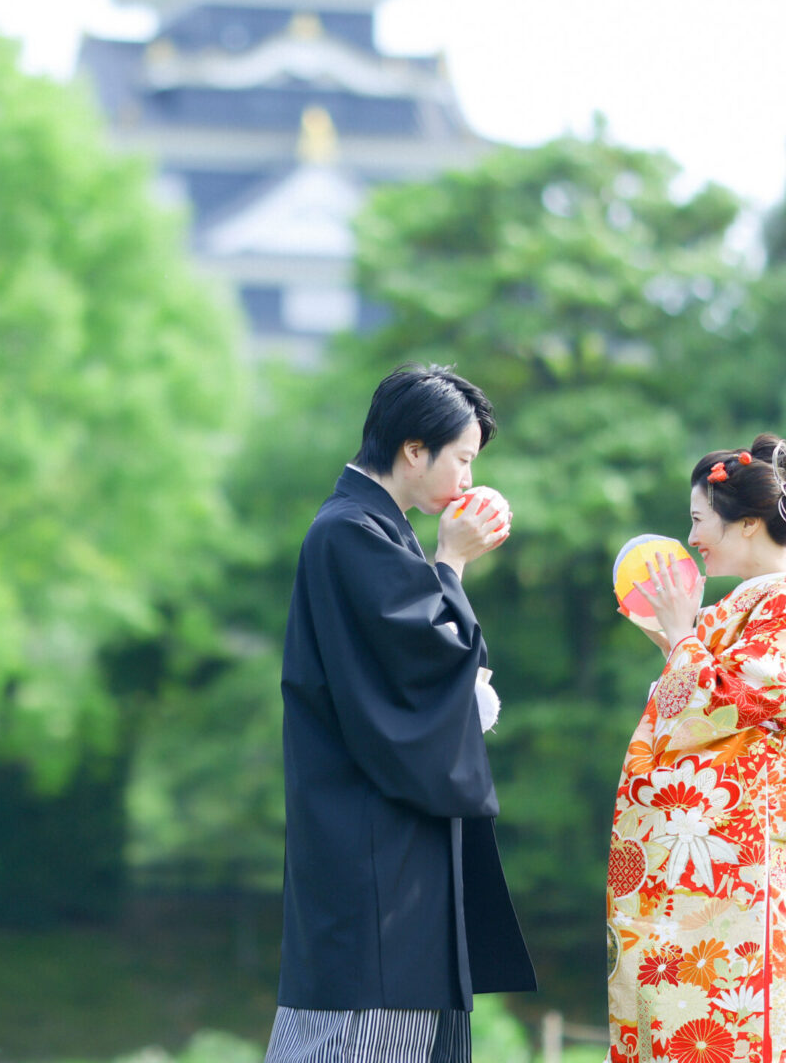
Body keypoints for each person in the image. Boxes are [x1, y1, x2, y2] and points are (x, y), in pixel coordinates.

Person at [266, 364, 537, 1063]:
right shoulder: (351, 533)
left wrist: (443, 565)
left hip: (378, 847)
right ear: (414, 450)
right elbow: (441, 669)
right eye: (464, 458)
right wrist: (449, 563)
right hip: (375, 856)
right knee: (362, 1039)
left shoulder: (363, 531)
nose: (470, 480)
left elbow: (438, 674)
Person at [606, 435, 786, 1063]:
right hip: (725, 871)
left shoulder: (785, 612)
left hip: (737, 878)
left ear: (749, 524)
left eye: (699, 520)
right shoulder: (752, 609)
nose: (693, 536)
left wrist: (681, 636)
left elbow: (714, 705)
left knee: (725, 1030)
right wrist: (673, 636)